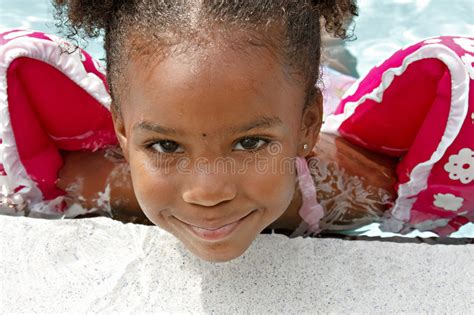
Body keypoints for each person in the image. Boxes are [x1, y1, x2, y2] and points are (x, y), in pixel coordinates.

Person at [0, 1, 471, 262]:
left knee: (320, 60)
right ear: (121, 132)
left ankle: (318, 48)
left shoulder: (354, 190)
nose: (207, 192)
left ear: (309, 126)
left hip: (305, 98)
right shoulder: (94, 183)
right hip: (264, 94)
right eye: (164, 145)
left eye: (250, 143)